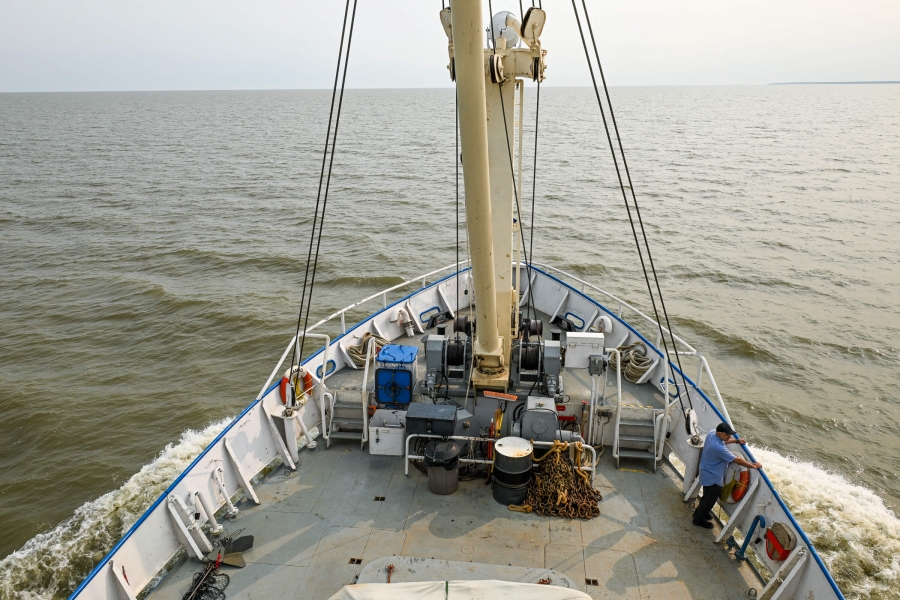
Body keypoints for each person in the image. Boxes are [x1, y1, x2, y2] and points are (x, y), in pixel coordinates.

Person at [692, 422, 762, 529]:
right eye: (727, 434)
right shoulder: (718, 447)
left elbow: (725, 440)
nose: (729, 436)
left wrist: (736, 441)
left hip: (706, 471)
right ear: (719, 433)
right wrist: (753, 466)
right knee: (710, 499)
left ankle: (700, 512)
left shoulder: (712, 434)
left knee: (707, 497)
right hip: (713, 477)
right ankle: (698, 519)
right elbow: (737, 459)